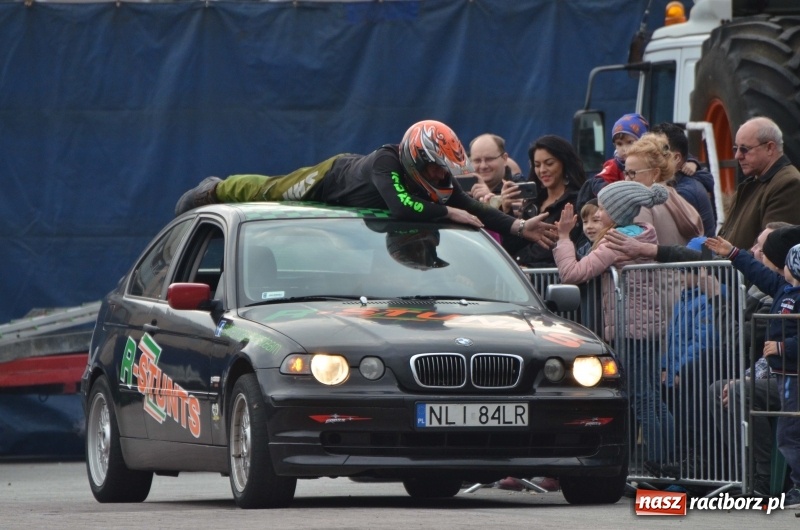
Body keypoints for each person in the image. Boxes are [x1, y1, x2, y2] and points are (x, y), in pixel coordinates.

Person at [174, 120, 557, 248]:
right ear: (417, 158)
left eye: (446, 169)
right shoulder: (387, 160)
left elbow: (474, 208)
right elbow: (402, 207)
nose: (443, 177)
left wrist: (520, 226)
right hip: (330, 179)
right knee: (268, 189)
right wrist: (447, 210)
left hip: (360, 217)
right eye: (437, 168)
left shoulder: (438, 181)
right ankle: (217, 187)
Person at [554, 180, 675, 464]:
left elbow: (573, 273)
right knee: (653, 397)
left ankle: (660, 464)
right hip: (647, 328)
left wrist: (563, 238)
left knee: (643, 399)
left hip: (629, 328)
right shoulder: (644, 233)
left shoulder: (616, 240)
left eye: (604, 208)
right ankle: (668, 460)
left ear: (618, 211)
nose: (598, 213)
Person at [706, 227, 800, 507]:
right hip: (783, 376)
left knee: (790, 433)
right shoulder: (784, 289)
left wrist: (783, 347)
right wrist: (733, 253)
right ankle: (753, 479)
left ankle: (795, 486)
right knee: (788, 432)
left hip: (794, 376)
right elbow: (760, 274)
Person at [500, 135, 587, 267]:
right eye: (537, 165)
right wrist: (507, 211)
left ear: (564, 163)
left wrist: (519, 262)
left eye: (549, 163)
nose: (542, 170)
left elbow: (549, 248)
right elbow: (512, 245)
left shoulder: (575, 202)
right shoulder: (532, 203)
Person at [716, 116, 800, 250]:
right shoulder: (754, 183)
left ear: (770, 148)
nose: (737, 156)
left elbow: (767, 250)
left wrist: (724, 262)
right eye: (735, 149)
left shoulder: (788, 184)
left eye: (744, 149)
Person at [625, 133, 704, 246]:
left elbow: (638, 253)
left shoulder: (642, 204)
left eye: (632, 173)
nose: (626, 179)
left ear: (655, 173)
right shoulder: (677, 198)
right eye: (626, 173)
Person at [650, 122, 717, 237]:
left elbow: (667, 240)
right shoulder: (673, 185)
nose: (649, 157)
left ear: (676, 158)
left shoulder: (684, 193)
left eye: (657, 152)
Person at [575, 112, 650, 211]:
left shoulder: (651, 163)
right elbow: (598, 182)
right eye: (619, 144)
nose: (624, 149)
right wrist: (613, 193)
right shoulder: (614, 165)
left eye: (630, 142)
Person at [467, 133, 523, 201]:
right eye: (477, 160)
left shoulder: (519, 188)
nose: (483, 166)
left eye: (489, 159)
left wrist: (491, 199)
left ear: (504, 159)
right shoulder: (463, 192)